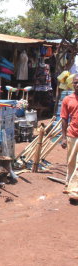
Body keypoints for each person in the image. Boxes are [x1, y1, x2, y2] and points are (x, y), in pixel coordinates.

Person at [61, 74, 78, 203]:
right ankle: (68, 183)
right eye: (76, 82)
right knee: (71, 162)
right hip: (72, 134)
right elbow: (64, 119)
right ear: (73, 84)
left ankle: (74, 191)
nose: (77, 85)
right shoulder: (68, 99)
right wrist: (63, 137)